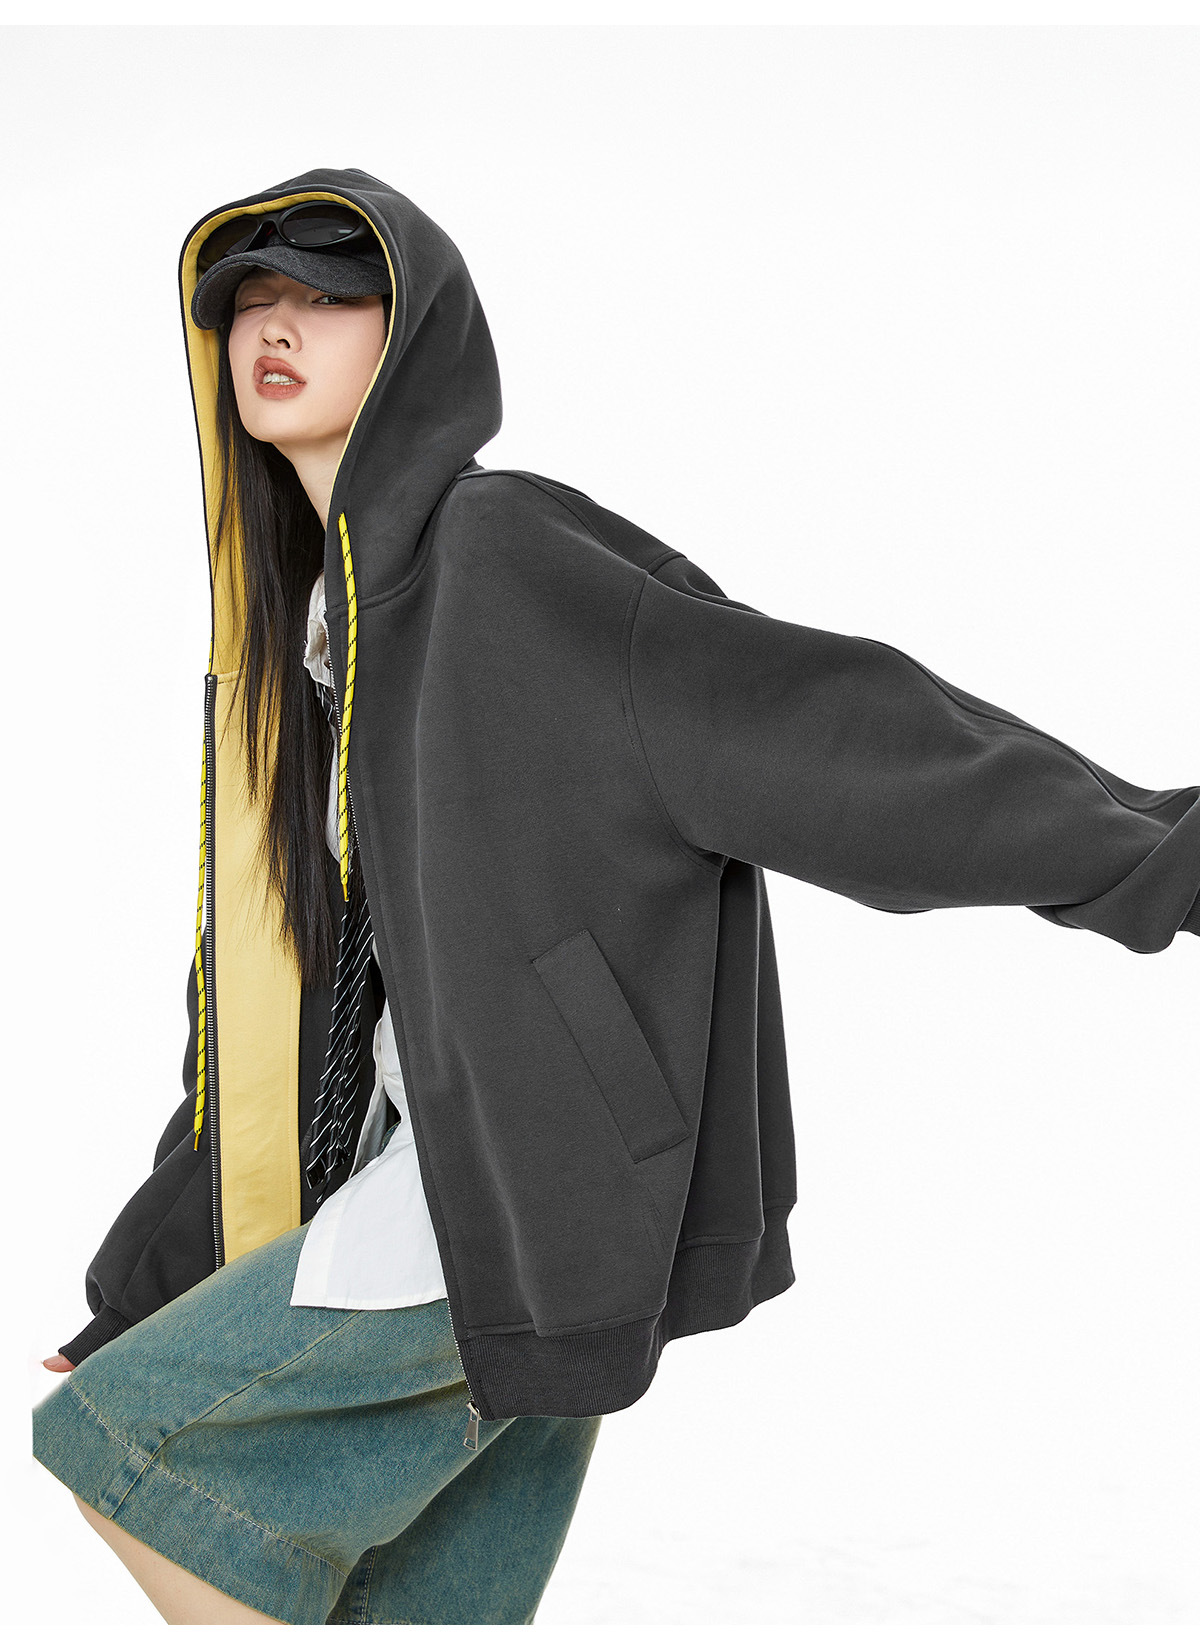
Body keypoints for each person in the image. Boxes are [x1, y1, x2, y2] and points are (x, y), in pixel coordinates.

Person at [31, 164, 1200, 1626]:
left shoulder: (507, 556)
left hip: (522, 1191)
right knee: (416, 1613)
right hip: (443, 1190)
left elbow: (827, 730)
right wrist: (150, 1277)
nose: (276, 324)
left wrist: (1157, 853)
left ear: (412, 339)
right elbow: (266, 1019)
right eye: (249, 300)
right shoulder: (308, 649)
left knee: (123, 1452)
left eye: (327, 294)